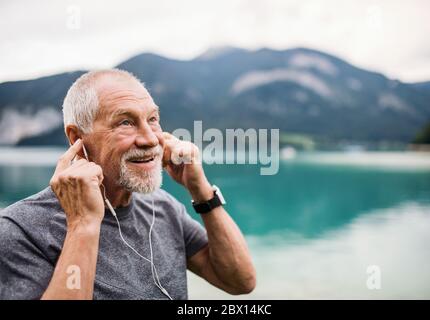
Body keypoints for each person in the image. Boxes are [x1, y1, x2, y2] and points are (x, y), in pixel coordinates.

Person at [0, 69, 256, 300]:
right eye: (125, 122)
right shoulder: (20, 229)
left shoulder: (164, 208)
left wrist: (201, 191)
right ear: (77, 138)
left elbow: (239, 282)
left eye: (153, 119)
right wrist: (83, 225)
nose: (150, 139)